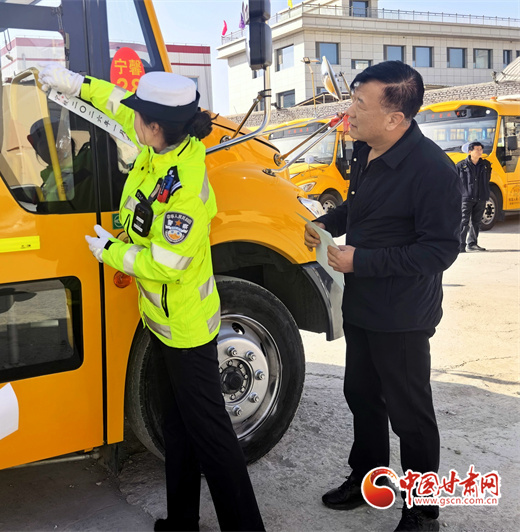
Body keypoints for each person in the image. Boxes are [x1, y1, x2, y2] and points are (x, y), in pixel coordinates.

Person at [40, 64, 266, 532]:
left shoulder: (184, 188)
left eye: (140, 116)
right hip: (162, 322)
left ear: (156, 126)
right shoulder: (160, 143)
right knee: (177, 427)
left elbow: (167, 263)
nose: (132, 118)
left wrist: (111, 252)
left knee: (213, 438)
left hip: (186, 329)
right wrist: (72, 83)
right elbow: (115, 103)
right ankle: (181, 521)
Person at [304, 61, 460, 532]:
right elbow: (360, 209)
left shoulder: (433, 170)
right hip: (362, 304)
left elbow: (439, 251)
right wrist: (327, 223)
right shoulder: (364, 150)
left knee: (410, 415)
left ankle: (423, 512)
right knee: (362, 395)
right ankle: (368, 478)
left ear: (395, 118)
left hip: (403, 315)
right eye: (351, 99)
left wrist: (363, 261)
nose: (349, 112)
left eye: (359, 104)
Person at [456, 141, 491, 252]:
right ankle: (460, 245)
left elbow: (487, 179)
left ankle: (472, 243)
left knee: (476, 221)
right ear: (470, 151)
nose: (480, 152)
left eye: (481, 149)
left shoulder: (486, 165)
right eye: (477, 149)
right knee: (464, 221)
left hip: (481, 196)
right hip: (466, 197)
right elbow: (456, 181)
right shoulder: (461, 165)